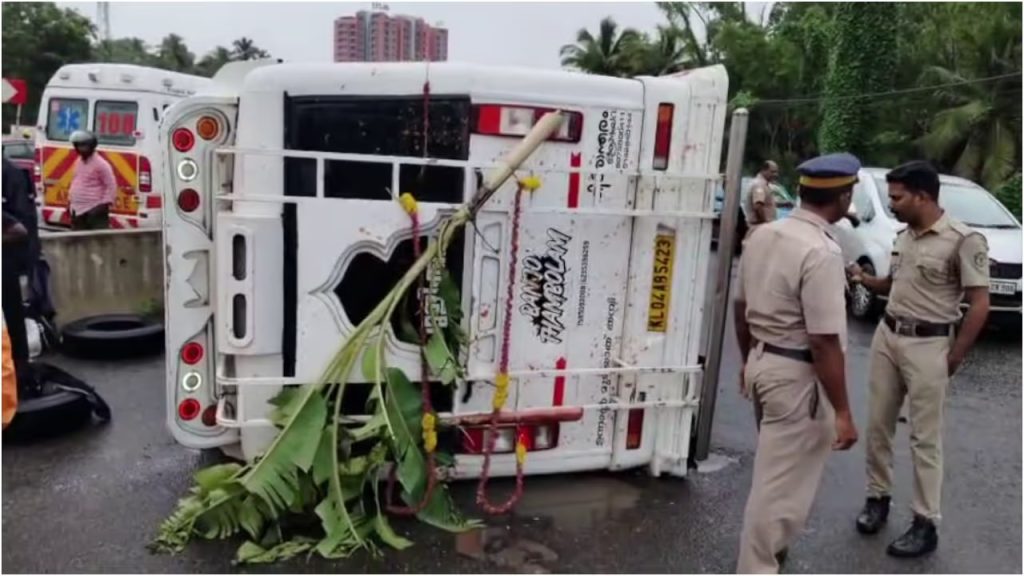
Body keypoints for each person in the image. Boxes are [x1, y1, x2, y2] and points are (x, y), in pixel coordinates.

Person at [847, 160, 990, 558]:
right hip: (887, 336)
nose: (891, 204)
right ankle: (878, 499)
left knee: (925, 439)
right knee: (878, 425)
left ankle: (925, 522)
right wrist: (863, 279)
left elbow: (979, 304)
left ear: (923, 196)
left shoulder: (963, 240)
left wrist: (954, 357)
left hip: (930, 345)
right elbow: (891, 285)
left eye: (897, 197)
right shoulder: (903, 237)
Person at [734, 152, 860, 573]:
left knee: (775, 476)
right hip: (797, 379)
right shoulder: (820, 251)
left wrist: (747, 359)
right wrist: (842, 411)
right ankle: (758, 568)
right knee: (779, 492)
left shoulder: (764, 236)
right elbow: (824, 341)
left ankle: (770, 559)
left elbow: (740, 306)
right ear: (842, 198)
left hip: (763, 361)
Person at [67, 130, 116, 230]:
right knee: (79, 241)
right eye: (78, 146)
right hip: (77, 209)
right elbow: (76, 181)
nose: (81, 149)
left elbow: (111, 185)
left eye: (84, 146)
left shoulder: (101, 164)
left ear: (91, 146)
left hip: (94, 209)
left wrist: (102, 205)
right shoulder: (79, 161)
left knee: (95, 242)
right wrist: (70, 202)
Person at [743, 160, 781, 234]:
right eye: (772, 172)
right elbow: (758, 206)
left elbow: (765, 203)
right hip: (758, 227)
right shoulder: (759, 185)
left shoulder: (764, 184)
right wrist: (765, 224)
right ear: (764, 170)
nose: (775, 174)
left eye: (776, 172)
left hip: (760, 227)